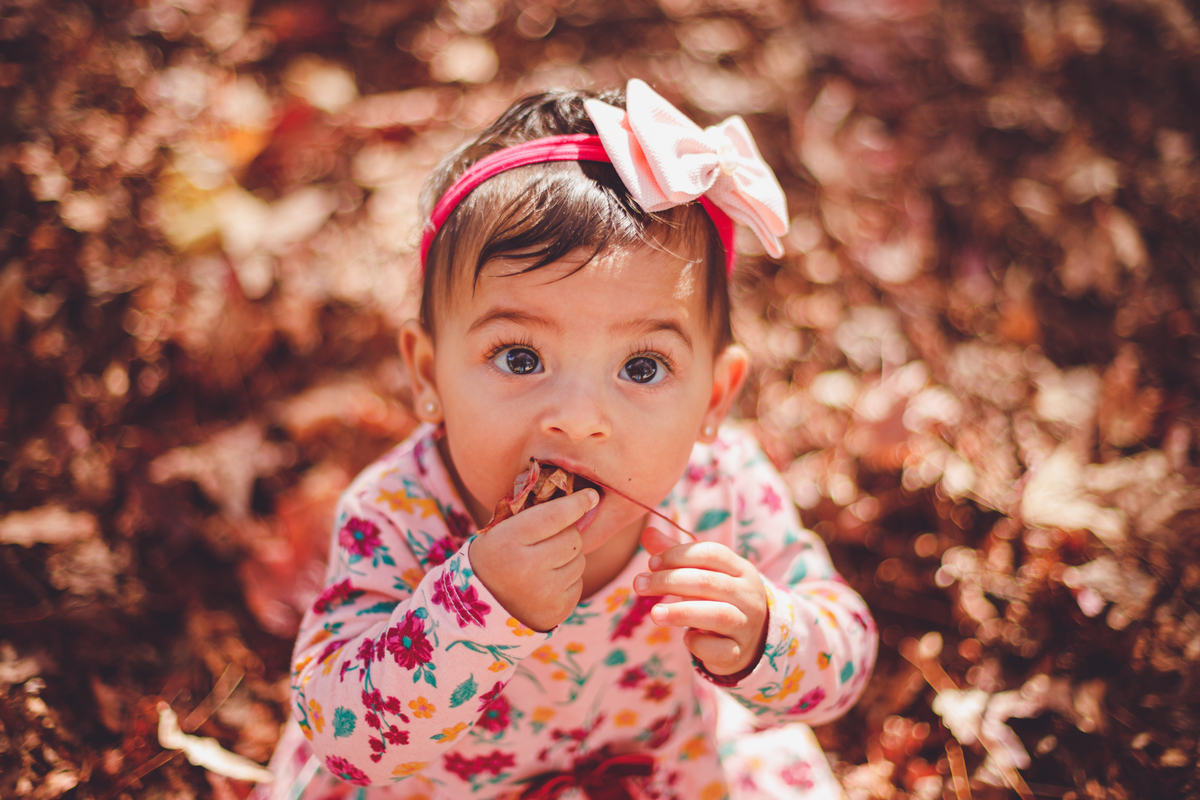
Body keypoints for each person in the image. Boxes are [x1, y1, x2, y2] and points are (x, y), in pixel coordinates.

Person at [257, 79, 877, 800]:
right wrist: (474, 608)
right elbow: (342, 739)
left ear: (714, 397)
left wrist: (768, 636)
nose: (578, 417)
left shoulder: (720, 489)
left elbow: (845, 658)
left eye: (642, 367)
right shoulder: (399, 513)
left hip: (654, 770)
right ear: (428, 374)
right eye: (520, 358)